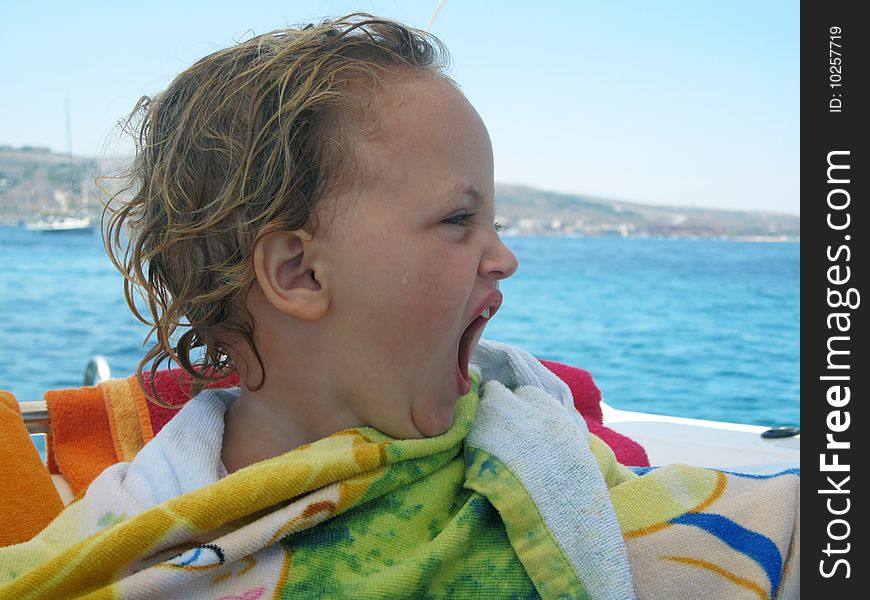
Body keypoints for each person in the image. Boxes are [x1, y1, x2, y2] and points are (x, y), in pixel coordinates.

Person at [0, 14, 798, 599]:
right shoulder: (133, 536)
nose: (505, 257)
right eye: (458, 219)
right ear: (300, 274)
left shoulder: (528, 437)